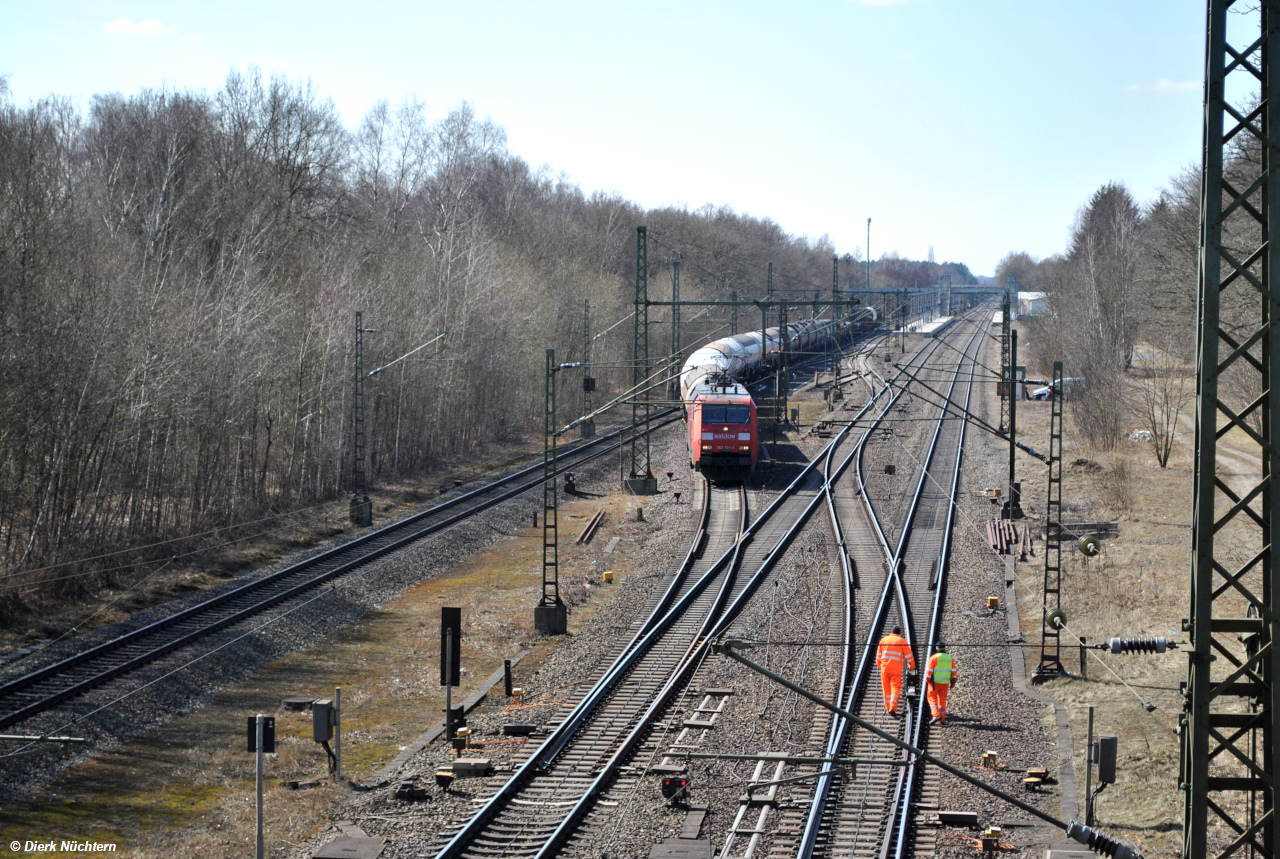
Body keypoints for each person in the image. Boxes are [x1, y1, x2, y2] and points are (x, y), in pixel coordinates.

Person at [876, 625, 915, 715]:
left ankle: (887, 706)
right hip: (896, 670)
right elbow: (909, 656)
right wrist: (912, 666)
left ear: (891, 632)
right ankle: (893, 708)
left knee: (886, 689)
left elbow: (878, 657)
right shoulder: (902, 641)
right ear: (899, 633)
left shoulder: (884, 640)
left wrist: (881, 667)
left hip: (884, 668)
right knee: (895, 687)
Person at [925, 642, 958, 725]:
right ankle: (942, 719)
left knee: (932, 698)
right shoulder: (950, 658)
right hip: (945, 683)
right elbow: (954, 672)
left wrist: (927, 679)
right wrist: (953, 681)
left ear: (937, 648)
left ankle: (936, 715)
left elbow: (929, 671)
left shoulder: (934, 658)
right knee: (942, 700)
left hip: (934, 683)